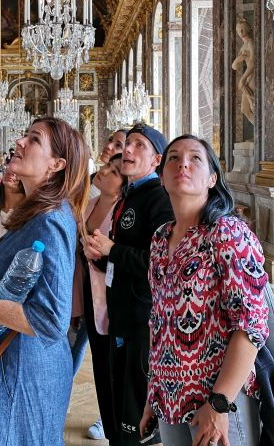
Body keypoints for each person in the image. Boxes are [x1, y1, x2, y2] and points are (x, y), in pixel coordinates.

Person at [0, 117, 90, 446]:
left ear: (56, 164)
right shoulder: (33, 212)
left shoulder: (50, 219)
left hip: (27, 370)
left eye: (33, 139)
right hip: (13, 361)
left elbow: (50, 320)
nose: (19, 141)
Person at [139, 135, 269, 446]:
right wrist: (151, 394)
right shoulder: (160, 238)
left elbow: (251, 325)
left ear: (212, 178)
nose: (183, 163)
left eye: (195, 158)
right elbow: (159, 322)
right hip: (169, 399)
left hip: (218, 400)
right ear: (161, 177)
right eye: (173, 158)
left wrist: (220, 402)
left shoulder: (228, 233)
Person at [84, 124, 173, 445]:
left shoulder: (158, 199)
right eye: (127, 144)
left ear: (156, 159)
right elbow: (122, 260)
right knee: (119, 406)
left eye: (138, 145)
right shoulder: (130, 196)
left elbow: (161, 261)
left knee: (136, 416)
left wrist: (112, 251)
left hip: (142, 320)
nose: (128, 151)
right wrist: (100, 258)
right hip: (121, 316)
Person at [80, 154, 127, 443]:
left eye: (113, 171)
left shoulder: (124, 212)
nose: (104, 171)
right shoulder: (94, 202)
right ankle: (109, 423)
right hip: (90, 291)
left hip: (113, 297)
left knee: (115, 365)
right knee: (99, 360)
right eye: (107, 165)